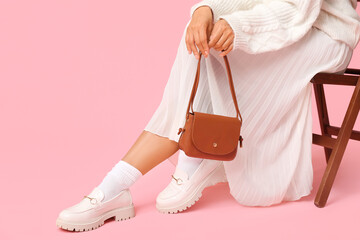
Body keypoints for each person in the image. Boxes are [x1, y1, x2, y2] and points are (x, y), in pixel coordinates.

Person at [56, 0, 360, 232]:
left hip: (324, 31)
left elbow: (297, 10)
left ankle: (162, 167)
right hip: (274, 17)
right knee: (201, 35)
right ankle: (179, 161)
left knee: (222, 43)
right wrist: (203, 11)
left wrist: (239, 26)